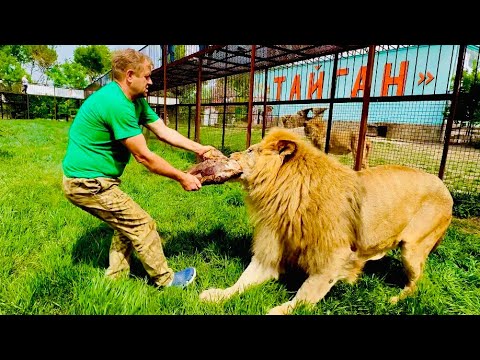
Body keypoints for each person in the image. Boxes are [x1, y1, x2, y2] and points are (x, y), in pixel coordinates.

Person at [62, 48, 216, 289]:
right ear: (130, 75)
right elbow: (144, 156)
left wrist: (200, 148)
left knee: (126, 225)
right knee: (142, 225)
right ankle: (166, 281)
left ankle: (115, 280)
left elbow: (163, 131)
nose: (151, 81)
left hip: (95, 180)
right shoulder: (116, 103)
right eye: (147, 76)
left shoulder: (136, 101)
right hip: (87, 183)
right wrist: (181, 176)